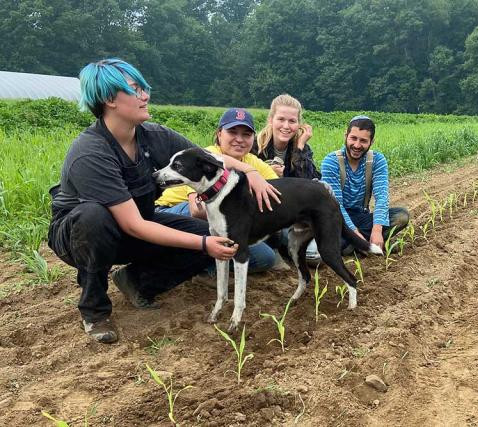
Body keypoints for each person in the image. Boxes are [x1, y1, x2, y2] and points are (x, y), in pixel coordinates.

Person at [47, 58, 279, 344]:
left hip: (141, 220)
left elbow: (207, 158)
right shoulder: (91, 153)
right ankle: (94, 309)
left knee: (207, 233)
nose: (145, 95)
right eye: (135, 89)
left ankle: (138, 281)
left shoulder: (154, 136)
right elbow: (131, 225)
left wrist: (250, 171)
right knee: (94, 217)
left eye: (145, 88)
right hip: (82, 235)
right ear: (109, 99)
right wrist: (205, 245)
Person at [155, 108, 283, 273]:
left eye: (246, 134)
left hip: (220, 217)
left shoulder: (254, 163)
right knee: (258, 253)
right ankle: (203, 268)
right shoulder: (201, 158)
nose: (239, 139)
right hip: (175, 212)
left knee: (266, 255)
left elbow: (277, 195)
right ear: (219, 134)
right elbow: (197, 210)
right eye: (232, 132)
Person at [321, 115, 409, 253]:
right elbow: (336, 205)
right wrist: (355, 234)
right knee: (331, 239)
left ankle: (360, 244)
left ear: (371, 142)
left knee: (401, 216)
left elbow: (382, 198)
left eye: (363, 141)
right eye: (353, 138)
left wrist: (377, 229)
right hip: (337, 218)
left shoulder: (377, 160)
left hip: (361, 216)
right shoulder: (331, 161)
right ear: (346, 136)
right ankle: (364, 244)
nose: (357, 145)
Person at [253, 94, 322, 264]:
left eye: (292, 121)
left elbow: (308, 184)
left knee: (314, 257)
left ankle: (285, 246)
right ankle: (277, 247)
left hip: (290, 214)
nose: (286, 126)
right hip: (260, 214)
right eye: (281, 119)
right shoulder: (254, 146)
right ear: (271, 120)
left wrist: (300, 147)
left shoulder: (302, 149)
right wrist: (267, 176)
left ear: (299, 124)